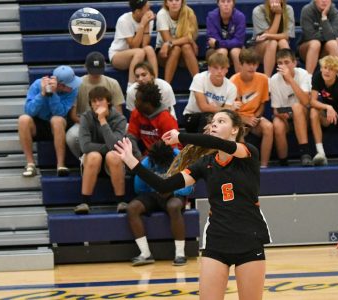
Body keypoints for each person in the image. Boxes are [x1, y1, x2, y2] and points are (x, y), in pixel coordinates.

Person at [114, 109, 271, 300]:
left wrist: (180, 136)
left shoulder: (248, 154)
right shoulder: (204, 164)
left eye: (221, 121)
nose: (214, 124)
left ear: (234, 130)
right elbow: (163, 185)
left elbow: (217, 144)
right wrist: (132, 162)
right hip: (217, 240)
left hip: (249, 239)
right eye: (213, 121)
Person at [128, 141, 208, 266]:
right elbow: (139, 188)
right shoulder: (148, 161)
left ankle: (180, 254)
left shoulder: (180, 157)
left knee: (174, 206)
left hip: (176, 193)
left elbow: (188, 186)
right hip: (154, 194)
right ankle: (145, 254)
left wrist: (171, 189)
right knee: (132, 208)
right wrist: (156, 191)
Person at [18, 65, 81, 177]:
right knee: (23, 119)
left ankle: (60, 165)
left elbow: (60, 113)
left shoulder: (73, 91)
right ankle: (30, 164)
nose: (72, 87)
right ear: (60, 85)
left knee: (57, 120)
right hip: (38, 123)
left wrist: (53, 94)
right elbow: (29, 111)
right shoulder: (37, 84)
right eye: (69, 85)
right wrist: (42, 94)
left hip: (59, 125)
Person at [74, 87, 128, 214]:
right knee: (94, 156)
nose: (97, 104)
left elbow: (116, 146)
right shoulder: (86, 118)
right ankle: (85, 202)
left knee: (113, 155)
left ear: (108, 102)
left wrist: (103, 121)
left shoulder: (120, 119)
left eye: (100, 100)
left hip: (113, 161)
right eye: (93, 101)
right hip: (91, 162)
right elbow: (85, 147)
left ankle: (121, 201)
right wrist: (107, 148)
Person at [66, 52, 125, 158]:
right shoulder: (78, 85)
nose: (95, 74)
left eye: (98, 71)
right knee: (71, 136)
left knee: (127, 129)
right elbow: (73, 115)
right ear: (86, 67)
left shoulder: (113, 83)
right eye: (93, 71)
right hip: (85, 121)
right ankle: (84, 159)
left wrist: (104, 124)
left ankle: (121, 160)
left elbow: (119, 113)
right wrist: (88, 124)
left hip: (110, 122)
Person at [230, 48, 273, 167]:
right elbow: (230, 111)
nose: (252, 67)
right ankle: (246, 168)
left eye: (255, 64)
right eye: (248, 64)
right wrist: (244, 119)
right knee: (239, 133)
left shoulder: (263, 79)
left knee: (268, 127)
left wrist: (254, 117)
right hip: (237, 118)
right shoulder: (233, 81)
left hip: (254, 118)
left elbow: (262, 105)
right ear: (241, 64)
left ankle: (264, 166)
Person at [270, 49, 313, 166]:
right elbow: (275, 109)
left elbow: (306, 101)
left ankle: (305, 153)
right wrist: (281, 114)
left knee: (297, 107)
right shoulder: (274, 79)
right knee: (277, 124)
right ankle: (283, 161)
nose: (283, 66)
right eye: (280, 63)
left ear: (294, 63)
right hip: (286, 116)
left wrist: (290, 79)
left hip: (304, 115)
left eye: (286, 62)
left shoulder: (303, 74)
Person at [183, 52, 237, 134]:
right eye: (215, 68)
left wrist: (221, 111)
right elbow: (203, 107)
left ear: (227, 69)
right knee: (207, 117)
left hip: (214, 118)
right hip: (192, 117)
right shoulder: (199, 78)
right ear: (209, 68)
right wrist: (226, 109)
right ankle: (202, 146)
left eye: (222, 68)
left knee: (228, 123)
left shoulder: (231, 87)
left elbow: (226, 114)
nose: (219, 71)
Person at [108, 0, 158, 87]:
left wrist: (146, 24)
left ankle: (155, 83)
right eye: (148, 9)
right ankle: (131, 87)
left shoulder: (148, 19)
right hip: (118, 55)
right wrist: (142, 24)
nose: (150, 12)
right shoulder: (123, 20)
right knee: (139, 52)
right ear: (138, 11)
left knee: (149, 49)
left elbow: (144, 45)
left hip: (138, 55)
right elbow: (134, 45)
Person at [127, 82, 179, 159]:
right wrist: (138, 157)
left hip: (168, 156)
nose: (134, 102)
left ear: (148, 104)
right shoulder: (136, 113)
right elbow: (131, 137)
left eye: (137, 100)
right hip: (146, 156)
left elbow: (172, 147)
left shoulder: (166, 118)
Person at [309, 55, 338, 166]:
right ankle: (321, 153)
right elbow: (312, 101)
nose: (327, 71)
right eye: (325, 67)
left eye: (331, 69)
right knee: (313, 111)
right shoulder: (318, 76)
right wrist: (328, 107)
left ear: (337, 72)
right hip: (327, 113)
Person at [156, 0, 199, 84]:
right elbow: (167, 40)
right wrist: (170, 43)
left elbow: (189, 38)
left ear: (182, 2)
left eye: (177, 0)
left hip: (185, 54)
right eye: (171, 0)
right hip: (165, 53)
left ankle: (199, 85)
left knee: (186, 47)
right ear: (166, 3)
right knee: (176, 49)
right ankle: (167, 87)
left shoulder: (189, 12)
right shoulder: (162, 14)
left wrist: (170, 43)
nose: (174, 3)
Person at [252, 0, 295, 77]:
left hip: (280, 46)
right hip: (261, 47)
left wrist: (268, 35)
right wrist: (278, 14)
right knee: (273, 43)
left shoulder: (288, 9)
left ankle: (290, 76)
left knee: (283, 42)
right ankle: (267, 79)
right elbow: (269, 35)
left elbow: (287, 35)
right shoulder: (258, 10)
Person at [298, 0, 338, 75]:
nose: (324, 1)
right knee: (315, 44)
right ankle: (308, 79)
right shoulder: (307, 10)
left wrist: (324, 17)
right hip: (307, 49)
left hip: (325, 49)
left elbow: (332, 37)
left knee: (334, 42)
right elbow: (309, 35)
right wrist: (326, 34)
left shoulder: (335, 13)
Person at [206, 0, 246, 73]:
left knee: (235, 51)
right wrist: (218, 44)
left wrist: (218, 43)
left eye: (228, 1)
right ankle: (219, 81)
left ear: (233, 3)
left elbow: (239, 41)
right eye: (223, 1)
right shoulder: (211, 16)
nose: (226, 4)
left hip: (235, 48)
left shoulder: (240, 16)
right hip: (215, 49)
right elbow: (212, 38)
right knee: (222, 51)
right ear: (218, 3)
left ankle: (240, 81)